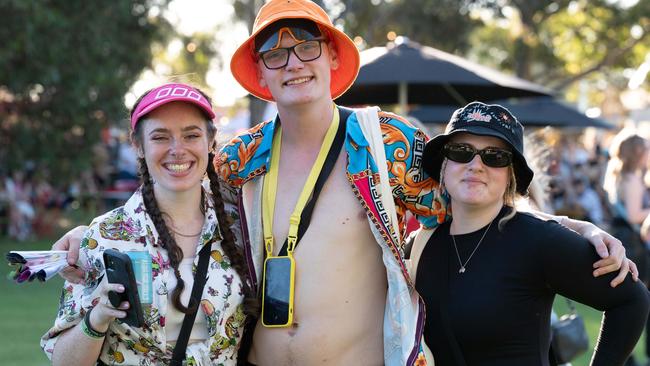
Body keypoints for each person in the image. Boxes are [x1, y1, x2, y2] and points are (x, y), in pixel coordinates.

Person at [53, 1, 635, 365]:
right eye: (275, 54)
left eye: (306, 46)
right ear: (259, 74)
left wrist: (563, 222)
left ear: (332, 57)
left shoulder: (387, 145)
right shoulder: (237, 161)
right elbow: (169, 199)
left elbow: (474, 199)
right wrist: (88, 234)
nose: (293, 63)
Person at [410, 102, 650, 366]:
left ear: (511, 176)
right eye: (461, 151)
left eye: (494, 156)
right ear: (443, 166)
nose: (476, 165)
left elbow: (631, 300)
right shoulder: (420, 246)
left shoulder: (538, 240)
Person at [41, 83, 255, 366]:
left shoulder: (244, 228)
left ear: (211, 140)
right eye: (160, 137)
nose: (177, 150)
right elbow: (64, 362)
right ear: (138, 145)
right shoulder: (104, 237)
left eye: (191, 135)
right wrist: (98, 317)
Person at [603, 131, 650, 366]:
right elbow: (633, 215)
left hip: (623, 238)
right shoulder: (632, 178)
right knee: (639, 299)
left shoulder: (620, 174)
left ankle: (627, 357)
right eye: (646, 148)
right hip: (632, 241)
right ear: (637, 152)